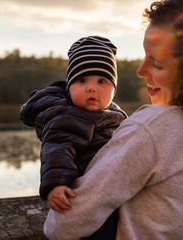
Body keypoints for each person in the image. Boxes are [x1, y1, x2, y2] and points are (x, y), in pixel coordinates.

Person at [43, 0, 183, 239]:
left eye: (157, 63)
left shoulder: (151, 128)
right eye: (146, 56)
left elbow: (63, 225)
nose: (141, 70)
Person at [20, 36, 127, 239]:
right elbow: (58, 150)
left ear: (114, 88)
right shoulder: (67, 116)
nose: (92, 88)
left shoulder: (113, 114)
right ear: (69, 86)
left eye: (102, 81)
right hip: (80, 196)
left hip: (106, 192)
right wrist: (57, 185)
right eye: (82, 80)